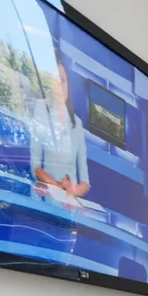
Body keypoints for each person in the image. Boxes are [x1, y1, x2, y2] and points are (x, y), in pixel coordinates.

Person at [30, 59, 90, 203]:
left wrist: (72, 190)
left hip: (69, 205)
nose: (59, 86)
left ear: (68, 85)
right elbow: (35, 168)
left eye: (62, 81)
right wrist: (58, 187)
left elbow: (85, 183)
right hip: (44, 199)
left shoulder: (77, 124)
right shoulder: (41, 112)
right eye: (54, 81)